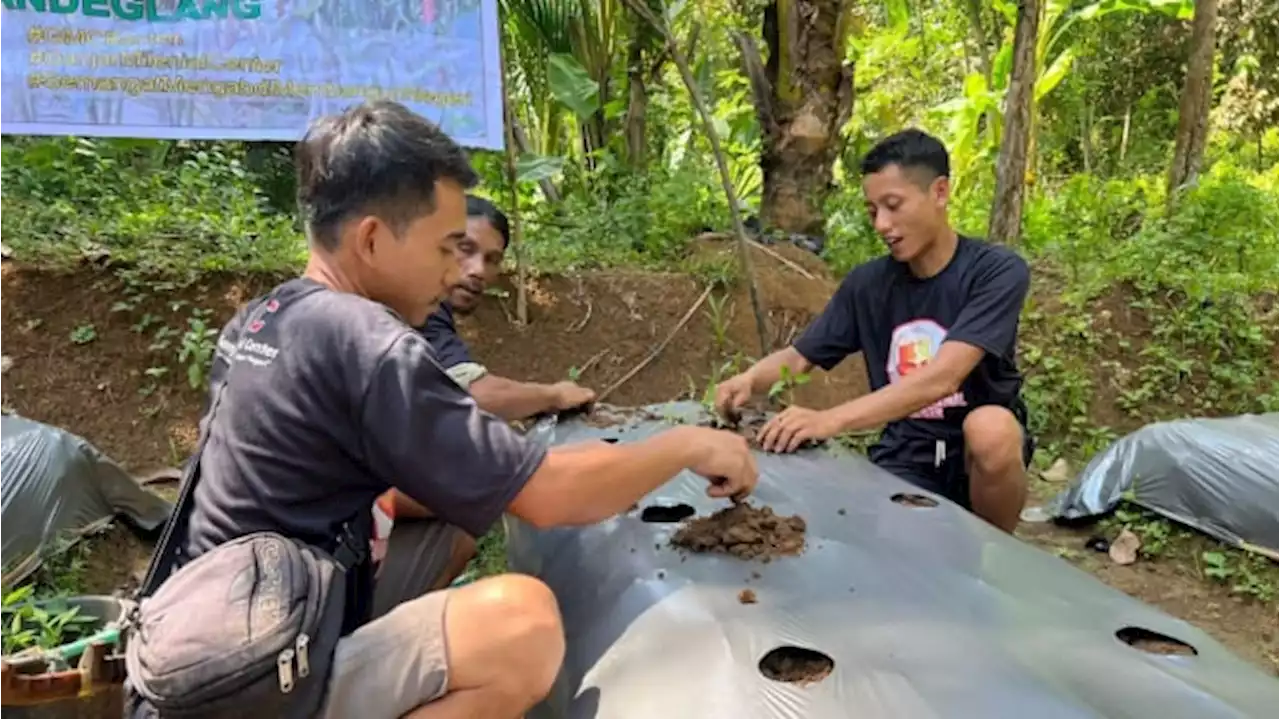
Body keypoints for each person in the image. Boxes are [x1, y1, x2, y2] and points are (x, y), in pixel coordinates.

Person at [182, 100, 759, 719]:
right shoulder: (368, 344)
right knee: (521, 625)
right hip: (263, 678)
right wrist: (687, 445)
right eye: (446, 248)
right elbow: (549, 496)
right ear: (373, 239)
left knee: (451, 515)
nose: (459, 270)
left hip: (222, 633)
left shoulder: (270, 315)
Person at [714, 128, 1032, 534]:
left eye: (894, 206)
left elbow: (944, 376)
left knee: (990, 428)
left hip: (977, 459)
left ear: (939, 193)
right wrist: (750, 379)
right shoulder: (869, 285)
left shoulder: (995, 272)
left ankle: (995, 551)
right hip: (908, 451)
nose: (882, 224)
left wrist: (830, 420)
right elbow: (801, 357)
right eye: (872, 211)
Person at [421, 195, 595, 421]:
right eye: (465, 248)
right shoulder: (414, 306)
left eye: (492, 259)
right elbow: (471, 395)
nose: (479, 270)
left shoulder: (428, 312)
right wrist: (554, 395)